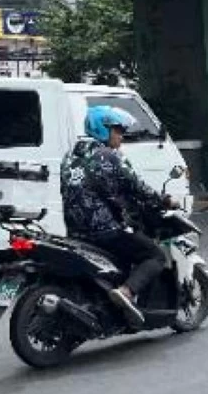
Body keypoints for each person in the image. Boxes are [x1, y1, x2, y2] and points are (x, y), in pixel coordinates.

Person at [61, 106, 168, 328]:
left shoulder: (70, 156)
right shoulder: (110, 156)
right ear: (103, 130)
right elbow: (137, 188)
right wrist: (165, 201)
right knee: (155, 255)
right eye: (117, 130)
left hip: (75, 231)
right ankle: (126, 291)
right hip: (104, 231)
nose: (121, 136)